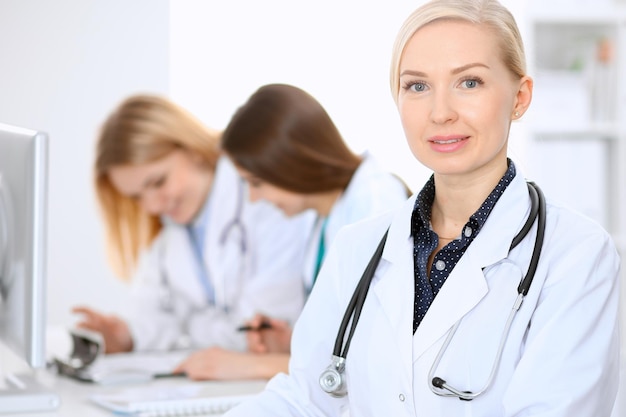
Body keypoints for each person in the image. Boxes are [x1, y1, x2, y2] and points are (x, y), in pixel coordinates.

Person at [223, 1, 621, 415]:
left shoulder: (575, 254)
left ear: (520, 97)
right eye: (417, 86)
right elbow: (305, 399)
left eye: (469, 82)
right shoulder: (357, 248)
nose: (440, 113)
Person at [173, 83, 410, 380]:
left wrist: (247, 366)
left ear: (290, 162)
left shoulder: (374, 203)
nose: (253, 199)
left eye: (256, 182)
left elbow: (372, 359)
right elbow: (339, 336)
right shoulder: (326, 218)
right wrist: (292, 340)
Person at [72, 94, 312, 354]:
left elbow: (266, 329)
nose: (152, 206)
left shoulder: (266, 197)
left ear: (191, 149)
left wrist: (189, 325)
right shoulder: (171, 226)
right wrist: (126, 336)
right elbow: (151, 313)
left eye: (158, 182)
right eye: (136, 197)